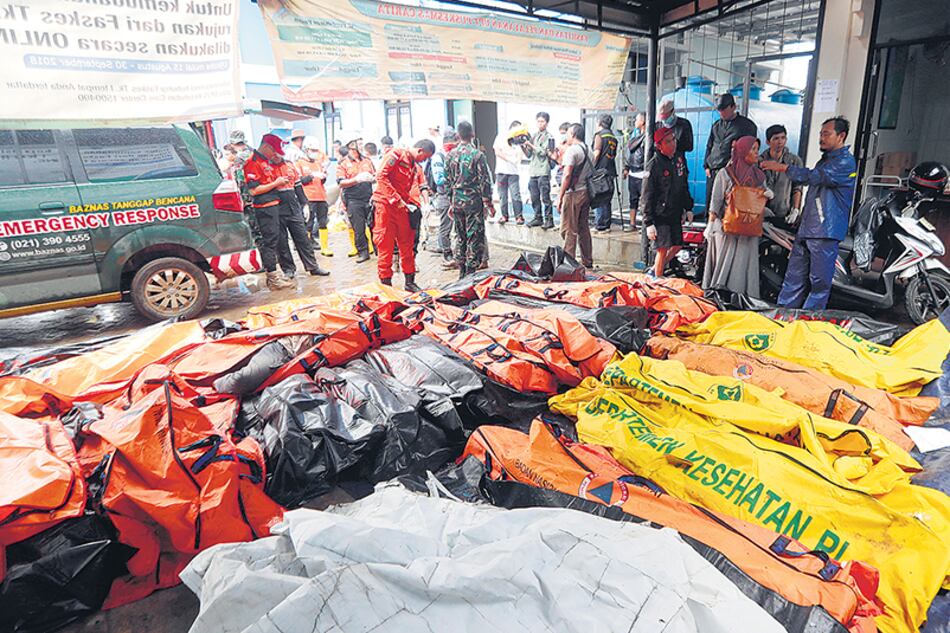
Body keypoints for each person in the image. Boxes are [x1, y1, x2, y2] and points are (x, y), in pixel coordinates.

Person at [761, 117, 857, 310]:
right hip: (808, 228)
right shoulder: (825, 161)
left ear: (841, 136)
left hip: (825, 230)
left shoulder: (845, 162)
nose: (821, 138)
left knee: (819, 282)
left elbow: (815, 177)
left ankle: (808, 321)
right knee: (794, 277)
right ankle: (784, 315)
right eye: (820, 134)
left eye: (826, 134)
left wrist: (783, 168)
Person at [244, 134, 327, 290]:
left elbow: (297, 186)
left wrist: (305, 204)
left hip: (292, 206)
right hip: (276, 207)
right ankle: (288, 269)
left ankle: (312, 266)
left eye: (279, 154)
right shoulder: (263, 165)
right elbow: (255, 189)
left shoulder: (289, 165)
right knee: (282, 242)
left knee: (302, 237)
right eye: (275, 153)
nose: (277, 156)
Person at [703, 136, 770, 297]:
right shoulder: (725, 174)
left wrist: (766, 195)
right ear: (743, 150)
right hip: (726, 228)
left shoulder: (759, 176)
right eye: (752, 149)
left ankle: (741, 298)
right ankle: (721, 296)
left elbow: (761, 199)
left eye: (757, 149)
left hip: (749, 228)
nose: (756, 153)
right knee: (723, 263)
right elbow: (716, 200)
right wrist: (711, 224)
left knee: (742, 264)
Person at [373, 139, 435, 291]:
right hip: (386, 207)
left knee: (407, 245)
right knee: (385, 247)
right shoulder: (395, 155)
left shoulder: (413, 166)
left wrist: (413, 206)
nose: (424, 160)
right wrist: (396, 198)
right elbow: (381, 177)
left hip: (402, 208)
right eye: (425, 157)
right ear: (420, 150)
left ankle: (410, 281)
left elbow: (406, 189)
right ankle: (386, 286)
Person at [640, 127, 693, 278]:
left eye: (673, 139)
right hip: (660, 214)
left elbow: (683, 184)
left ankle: (656, 270)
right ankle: (657, 280)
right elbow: (647, 195)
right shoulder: (654, 164)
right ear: (659, 145)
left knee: (677, 245)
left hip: (675, 212)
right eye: (668, 141)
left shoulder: (679, 160)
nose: (673, 144)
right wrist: (648, 222)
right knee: (662, 249)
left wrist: (688, 207)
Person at [446, 121, 494, 278]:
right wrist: (489, 203)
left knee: (461, 236)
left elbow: (448, 182)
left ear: (458, 136)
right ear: (472, 135)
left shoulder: (450, 155)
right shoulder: (477, 155)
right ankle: (471, 273)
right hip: (473, 202)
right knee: (474, 236)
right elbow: (484, 182)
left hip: (457, 202)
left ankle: (461, 271)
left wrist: (451, 203)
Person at [704, 93, 757, 210]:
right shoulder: (716, 126)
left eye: (724, 109)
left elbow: (750, 150)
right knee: (711, 205)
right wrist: (706, 166)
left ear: (733, 107)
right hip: (713, 170)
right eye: (719, 110)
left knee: (729, 207)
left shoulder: (747, 126)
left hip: (732, 173)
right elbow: (709, 145)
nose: (721, 113)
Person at [558, 123, 594, 269]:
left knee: (568, 229)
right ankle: (587, 260)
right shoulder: (589, 150)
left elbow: (567, 175)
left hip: (573, 193)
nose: (566, 136)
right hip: (586, 192)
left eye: (568, 133)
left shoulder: (572, 151)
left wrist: (560, 197)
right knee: (583, 228)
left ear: (572, 134)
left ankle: (568, 263)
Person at [337, 132, 376, 263]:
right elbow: (341, 182)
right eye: (358, 143)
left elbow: (375, 176)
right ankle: (363, 252)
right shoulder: (343, 163)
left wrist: (373, 179)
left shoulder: (367, 161)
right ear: (350, 146)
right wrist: (356, 180)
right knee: (358, 229)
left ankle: (378, 250)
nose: (361, 145)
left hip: (368, 197)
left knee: (374, 226)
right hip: (353, 200)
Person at [295, 137, 332, 256]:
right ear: (306, 150)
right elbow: (299, 181)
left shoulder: (317, 163)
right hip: (308, 197)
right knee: (308, 224)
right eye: (313, 150)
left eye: (316, 150)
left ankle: (325, 248)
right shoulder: (299, 163)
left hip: (321, 196)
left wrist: (323, 176)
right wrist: (312, 176)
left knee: (323, 222)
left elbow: (321, 181)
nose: (315, 153)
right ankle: (308, 248)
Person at [430, 128, 460, 269]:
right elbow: (439, 179)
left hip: (458, 196)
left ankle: (457, 254)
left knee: (459, 227)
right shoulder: (438, 157)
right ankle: (447, 253)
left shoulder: (457, 155)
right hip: (445, 196)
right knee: (445, 227)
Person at [760, 124, 803, 221]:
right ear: (768, 142)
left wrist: (795, 209)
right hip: (761, 212)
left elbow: (797, 188)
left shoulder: (794, 161)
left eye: (783, 138)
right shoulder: (760, 161)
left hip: (784, 213)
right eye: (776, 138)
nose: (780, 142)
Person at [523, 112, 556, 230]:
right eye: (538, 121)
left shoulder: (549, 136)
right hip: (533, 171)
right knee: (534, 196)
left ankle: (549, 219)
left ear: (547, 123)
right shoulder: (534, 135)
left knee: (545, 197)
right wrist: (523, 145)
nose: (540, 123)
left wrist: (530, 145)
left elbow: (544, 152)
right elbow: (528, 155)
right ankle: (538, 217)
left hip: (543, 170)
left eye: (542, 121)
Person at [624, 113, 648, 263]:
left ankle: (645, 225)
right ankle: (632, 223)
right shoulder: (636, 135)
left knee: (644, 201)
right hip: (633, 171)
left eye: (638, 119)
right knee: (633, 200)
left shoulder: (648, 136)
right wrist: (626, 167)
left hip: (643, 172)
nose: (636, 122)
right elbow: (630, 151)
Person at [493, 121, 525, 224]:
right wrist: (509, 158)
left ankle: (518, 216)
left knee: (515, 194)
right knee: (503, 195)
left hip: (513, 172)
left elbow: (520, 157)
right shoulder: (501, 136)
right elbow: (497, 151)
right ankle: (504, 215)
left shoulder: (519, 140)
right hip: (501, 171)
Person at [591, 114, 619, 232]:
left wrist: (591, 167)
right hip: (610, 170)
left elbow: (596, 153)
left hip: (600, 171)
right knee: (607, 198)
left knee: (599, 197)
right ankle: (606, 224)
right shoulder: (613, 137)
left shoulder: (600, 136)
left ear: (599, 123)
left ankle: (600, 225)